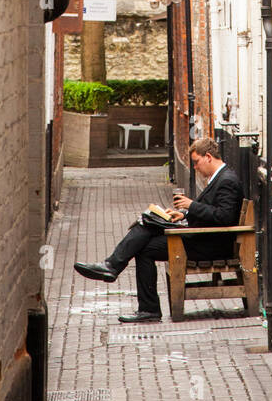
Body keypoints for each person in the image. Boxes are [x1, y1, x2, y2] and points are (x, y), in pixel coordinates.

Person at [73, 137, 244, 322]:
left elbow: (225, 217)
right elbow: (214, 210)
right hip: (200, 238)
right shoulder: (220, 177)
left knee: (145, 239)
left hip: (211, 244)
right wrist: (184, 215)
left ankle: (119, 273)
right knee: (148, 226)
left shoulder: (227, 180)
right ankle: (122, 277)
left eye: (196, 162)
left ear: (208, 157)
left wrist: (191, 206)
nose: (195, 167)